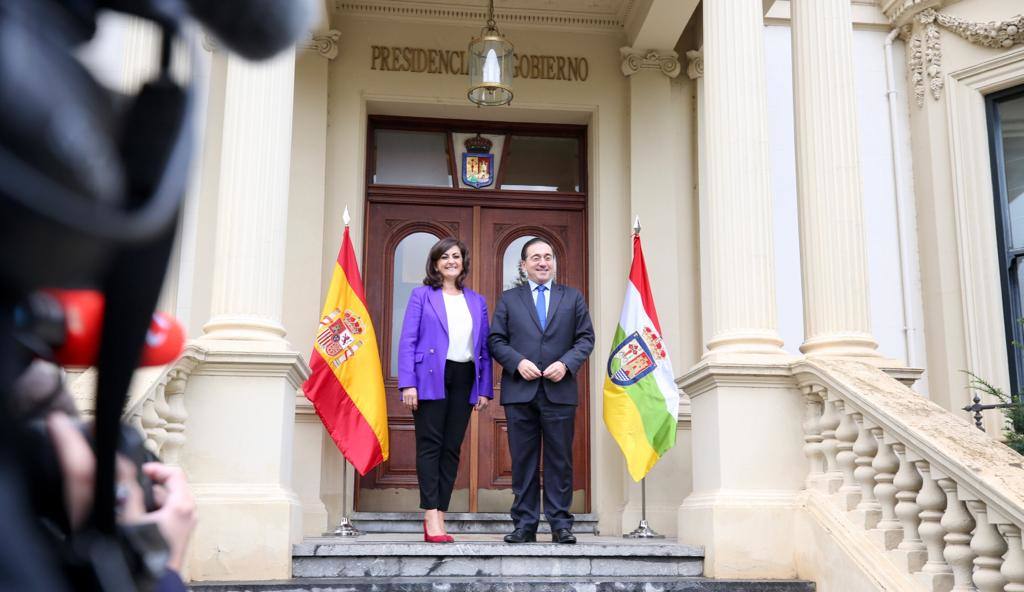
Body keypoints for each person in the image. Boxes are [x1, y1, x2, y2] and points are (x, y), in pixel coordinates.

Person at [488, 237, 594, 544]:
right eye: (535, 257)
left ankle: (561, 525)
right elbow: (496, 340)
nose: (543, 262)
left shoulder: (572, 298)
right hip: (520, 391)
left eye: (547, 257)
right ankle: (525, 524)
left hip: (560, 391)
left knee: (560, 460)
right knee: (523, 461)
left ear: (554, 263)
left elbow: (585, 339)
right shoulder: (509, 299)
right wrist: (517, 362)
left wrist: (566, 363)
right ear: (524, 265)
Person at [397, 237, 493, 543]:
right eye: (445, 257)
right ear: (436, 263)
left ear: (463, 262)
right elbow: (407, 340)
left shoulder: (477, 301)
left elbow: (484, 348)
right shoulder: (421, 296)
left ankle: (441, 513)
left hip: (465, 376)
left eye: (456, 256)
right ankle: (430, 514)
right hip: (429, 376)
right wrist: (408, 382)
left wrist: (485, 388)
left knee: (451, 447)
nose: (451, 261)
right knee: (430, 445)